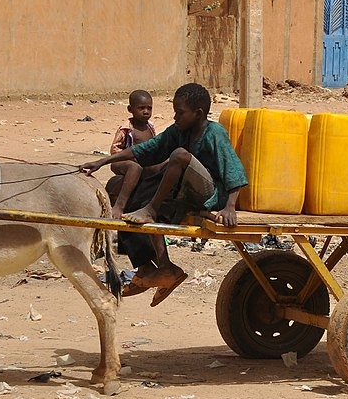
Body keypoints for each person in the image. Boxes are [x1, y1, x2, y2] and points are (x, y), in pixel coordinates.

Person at [80, 83, 247, 306]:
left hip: (210, 193)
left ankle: (151, 211)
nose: (175, 117)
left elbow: (234, 170)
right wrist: (102, 161)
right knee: (131, 195)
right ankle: (154, 268)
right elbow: (145, 149)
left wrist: (230, 206)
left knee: (178, 156)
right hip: (184, 191)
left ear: (198, 113)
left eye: (180, 112)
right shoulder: (179, 131)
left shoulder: (214, 133)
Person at [107, 90, 156, 216]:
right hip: (122, 162)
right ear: (130, 109)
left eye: (149, 108)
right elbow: (115, 149)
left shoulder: (150, 127)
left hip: (143, 162)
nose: (146, 111)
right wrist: (133, 157)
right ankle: (119, 205)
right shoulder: (126, 129)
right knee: (135, 168)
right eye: (141, 108)